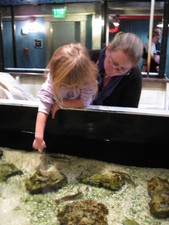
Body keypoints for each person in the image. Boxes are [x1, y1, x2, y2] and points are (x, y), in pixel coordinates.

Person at [32, 43, 98, 153]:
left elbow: (83, 102)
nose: (69, 87)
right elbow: (44, 104)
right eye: (64, 84)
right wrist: (38, 137)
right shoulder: (53, 78)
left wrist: (61, 104)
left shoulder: (88, 81)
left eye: (75, 85)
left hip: (79, 114)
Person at [92, 32, 143, 108]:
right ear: (108, 49)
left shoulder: (133, 76)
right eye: (114, 63)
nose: (113, 72)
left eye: (123, 69)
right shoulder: (88, 59)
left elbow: (128, 114)